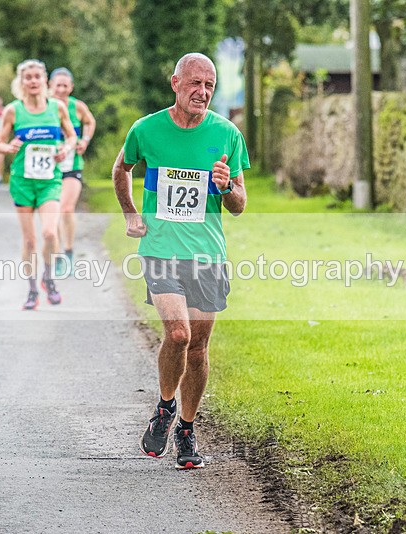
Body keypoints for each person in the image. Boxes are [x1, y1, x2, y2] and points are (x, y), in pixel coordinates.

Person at [112, 53, 249, 469]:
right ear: (175, 83)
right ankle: (165, 407)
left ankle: (187, 430)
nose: (202, 92)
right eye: (195, 83)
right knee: (177, 335)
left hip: (208, 254)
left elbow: (240, 204)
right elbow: (122, 168)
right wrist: (131, 214)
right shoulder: (147, 129)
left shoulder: (226, 134)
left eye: (209, 85)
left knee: (199, 348)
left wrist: (227, 188)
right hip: (161, 249)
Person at [0, 59, 77, 310]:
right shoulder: (13, 110)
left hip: (49, 180)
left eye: (36, 77)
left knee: (50, 233)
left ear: (44, 81)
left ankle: (48, 278)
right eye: (27, 77)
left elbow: (72, 135)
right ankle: (32, 291)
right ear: (21, 82)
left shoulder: (57, 108)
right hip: (22, 181)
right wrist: (8, 147)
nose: (32, 81)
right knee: (29, 241)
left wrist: (65, 148)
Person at [48, 68, 96, 276]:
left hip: (72, 165)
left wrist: (84, 140)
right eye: (57, 85)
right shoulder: (44, 107)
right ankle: (57, 255)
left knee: (66, 208)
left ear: (71, 87)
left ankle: (68, 252)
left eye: (65, 85)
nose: (61, 89)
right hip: (49, 168)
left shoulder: (77, 107)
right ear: (50, 85)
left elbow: (90, 121)